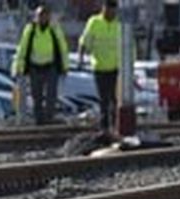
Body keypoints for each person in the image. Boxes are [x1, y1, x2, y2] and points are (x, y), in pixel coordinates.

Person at [13, 6, 67, 125]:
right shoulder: (31, 30)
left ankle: (49, 118)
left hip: (50, 67)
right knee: (36, 95)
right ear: (36, 17)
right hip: (35, 67)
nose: (43, 18)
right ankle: (39, 120)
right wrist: (18, 66)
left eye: (45, 15)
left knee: (51, 95)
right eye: (40, 15)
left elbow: (62, 48)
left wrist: (64, 66)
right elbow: (22, 49)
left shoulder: (54, 29)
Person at [77, 0, 124, 133]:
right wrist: (81, 57)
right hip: (100, 68)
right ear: (103, 8)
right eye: (109, 7)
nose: (111, 11)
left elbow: (128, 46)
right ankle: (104, 127)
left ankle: (116, 126)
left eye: (113, 7)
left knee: (114, 100)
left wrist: (128, 66)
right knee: (103, 100)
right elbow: (84, 41)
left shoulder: (119, 25)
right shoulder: (94, 22)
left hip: (116, 69)